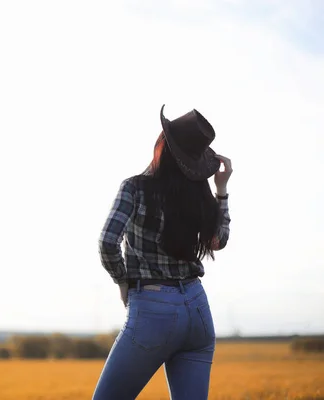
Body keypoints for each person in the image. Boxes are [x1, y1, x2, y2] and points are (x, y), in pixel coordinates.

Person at [92, 105, 232, 400]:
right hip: (197, 310)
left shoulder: (135, 188)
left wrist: (123, 281)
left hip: (153, 310)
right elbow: (219, 240)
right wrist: (221, 192)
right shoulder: (202, 196)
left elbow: (107, 242)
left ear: (162, 146)